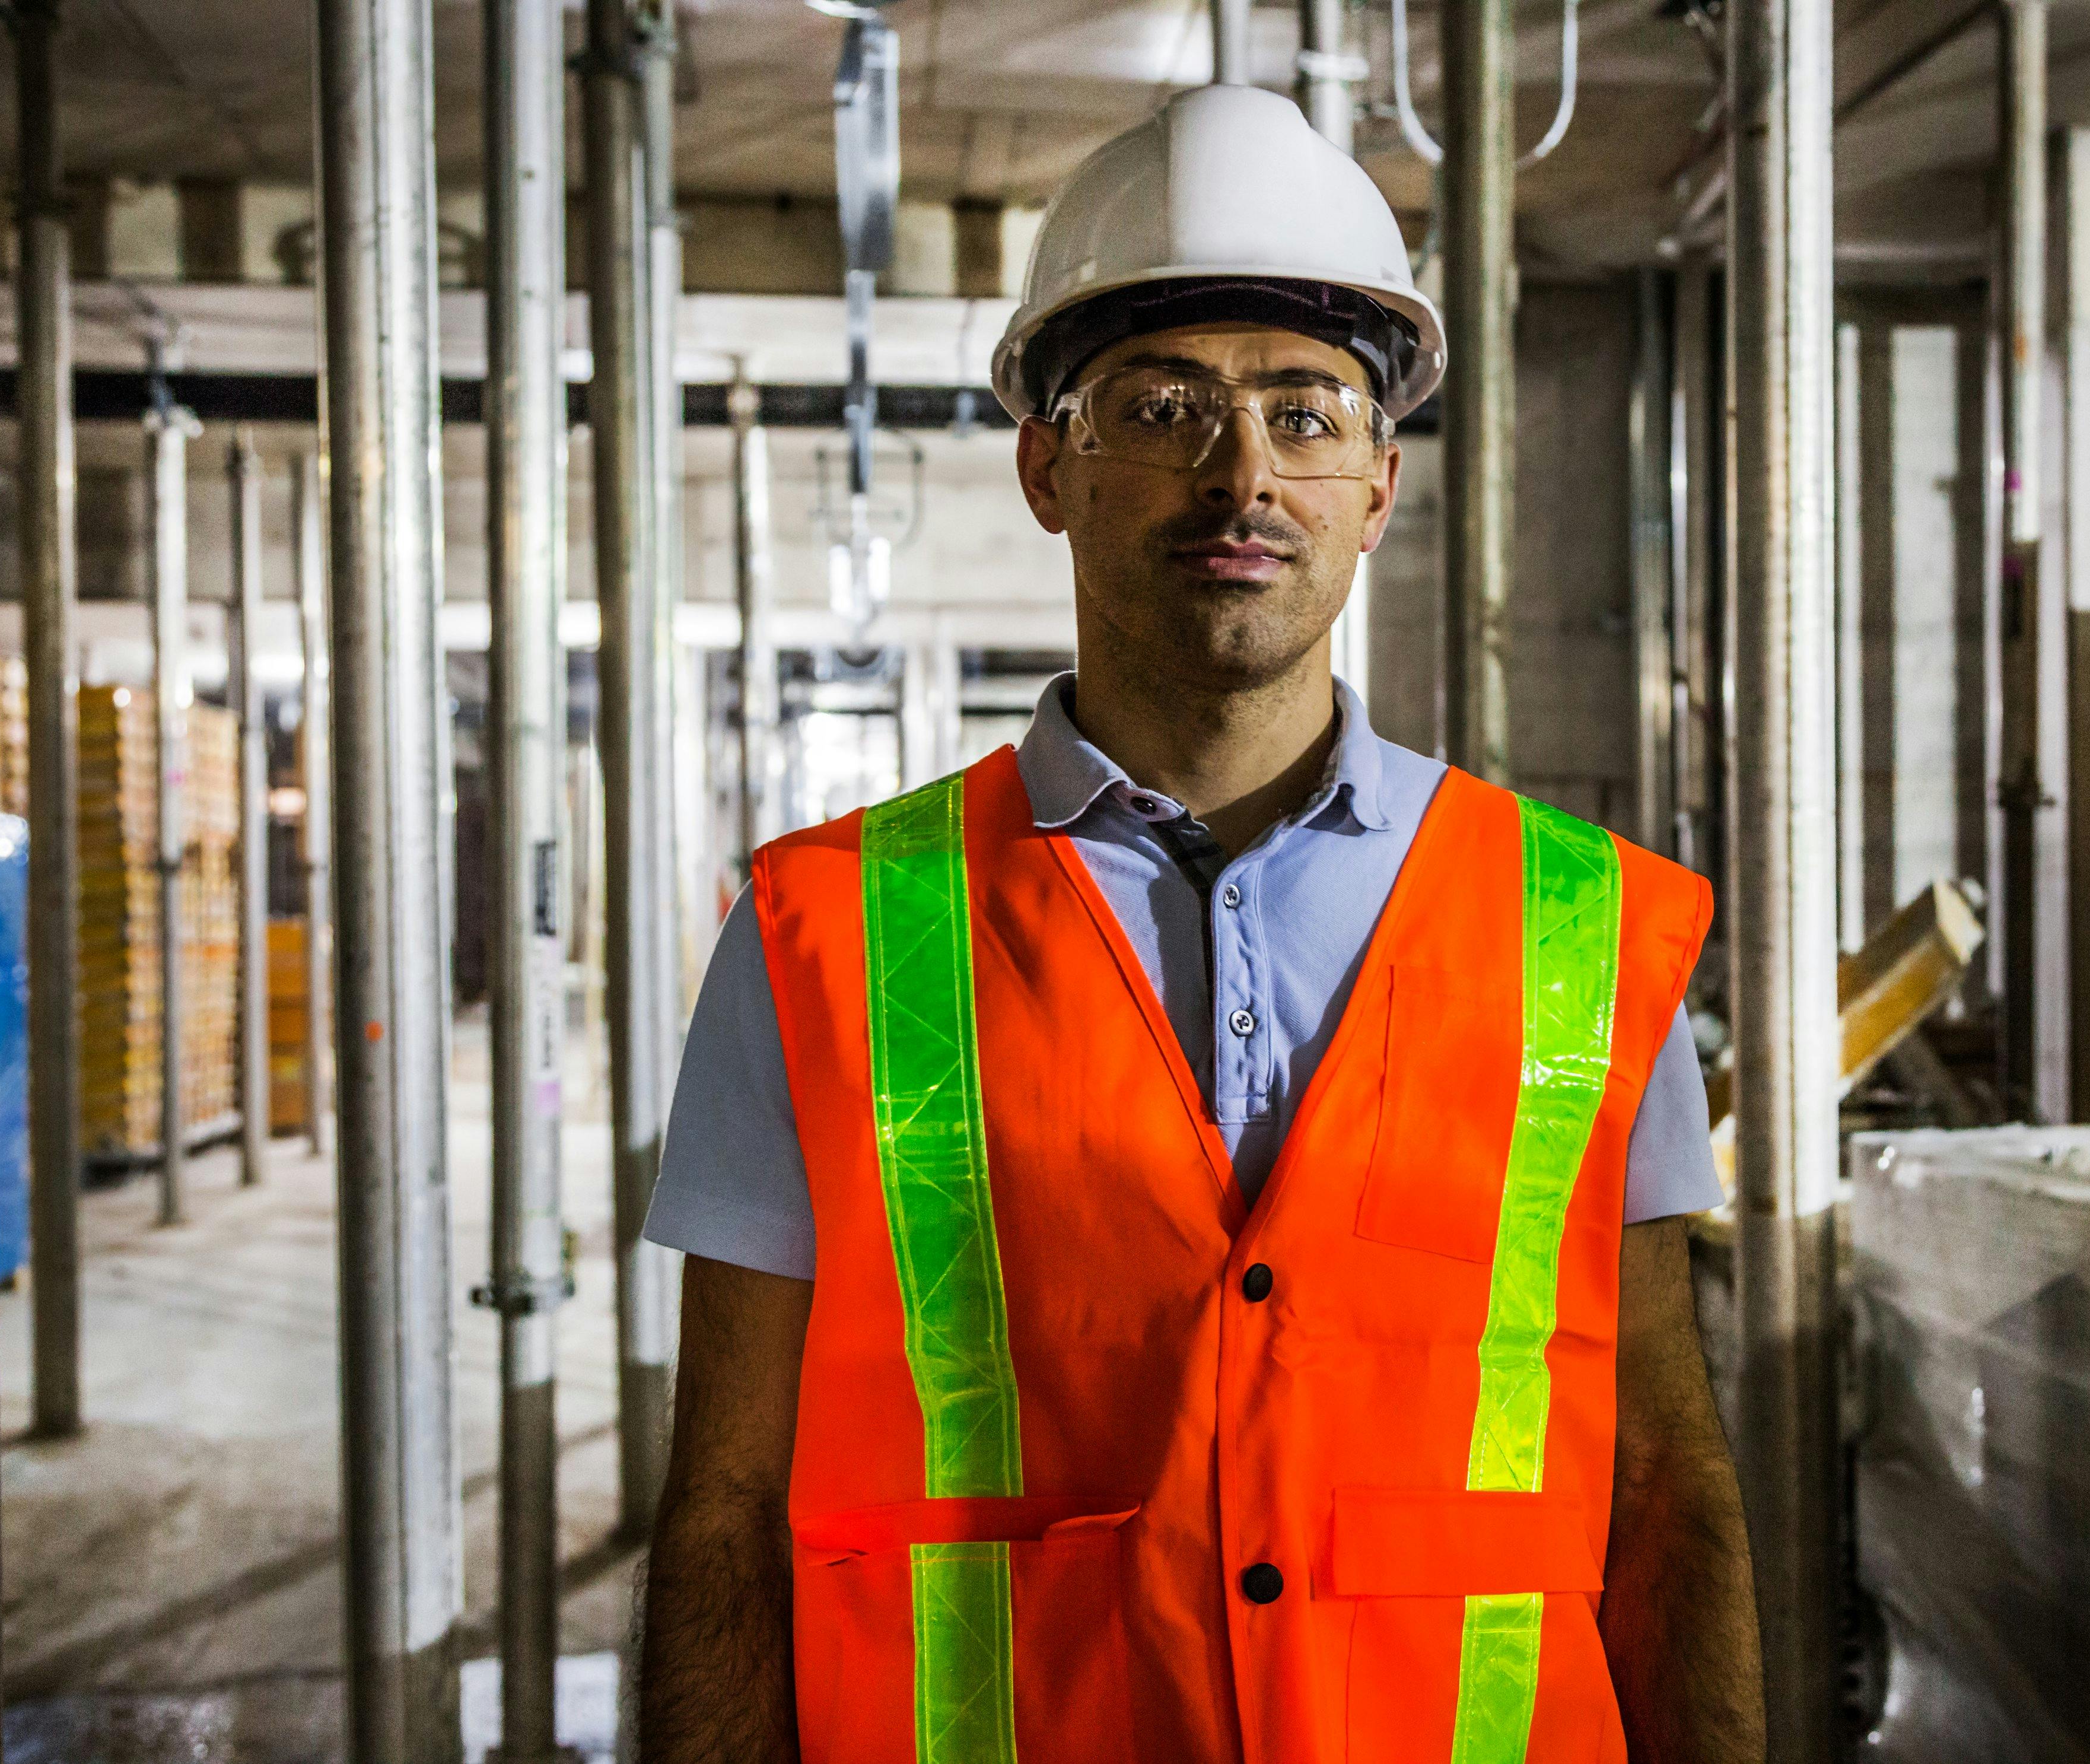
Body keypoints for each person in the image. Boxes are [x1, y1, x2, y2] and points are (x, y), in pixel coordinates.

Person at [637, 84, 1764, 1764]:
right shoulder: (827, 935)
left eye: (1304, 413)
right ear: (1047, 466)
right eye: (1161, 410)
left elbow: (1667, 1482)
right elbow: (722, 1501)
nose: (1242, 475)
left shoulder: (1578, 934)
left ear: (1377, 485)